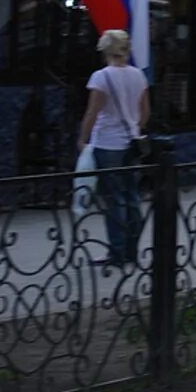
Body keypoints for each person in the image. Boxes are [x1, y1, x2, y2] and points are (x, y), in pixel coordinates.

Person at [75, 29, 149, 268]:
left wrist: (83, 139)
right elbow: (145, 111)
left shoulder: (101, 77)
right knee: (132, 197)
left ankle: (117, 253)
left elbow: (92, 112)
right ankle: (132, 250)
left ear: (105, 51)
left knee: (114, 199)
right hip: (131, 142)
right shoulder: (138, 75)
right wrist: (135, 128)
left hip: (107, 143)